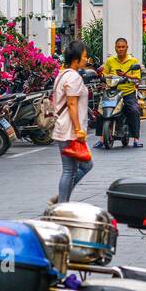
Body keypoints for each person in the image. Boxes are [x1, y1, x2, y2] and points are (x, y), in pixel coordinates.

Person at [51, 40, 92, 204]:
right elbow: (72, 104)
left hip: (65, 128)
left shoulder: (62, 74)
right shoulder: (74, 77)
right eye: (84, 56)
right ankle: (61, 203)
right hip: (69, 130)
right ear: (76, 59)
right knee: (71, 170)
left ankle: (62, 199)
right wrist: (78, 130)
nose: (86, 59)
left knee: (75, 168)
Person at [101, 38, 144, 148]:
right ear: (115, 48)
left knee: (134, 110)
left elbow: (137, 77)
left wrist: (125, 75)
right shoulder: (110, 61)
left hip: (127, 93)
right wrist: (106, 77)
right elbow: (104, 74)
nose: (120, 49)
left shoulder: (133, 61)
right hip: (112, 92)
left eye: (122, 47)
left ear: (127, 48)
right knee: (101, 110)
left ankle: (136, 139)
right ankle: (101, 138)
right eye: (118, 47)